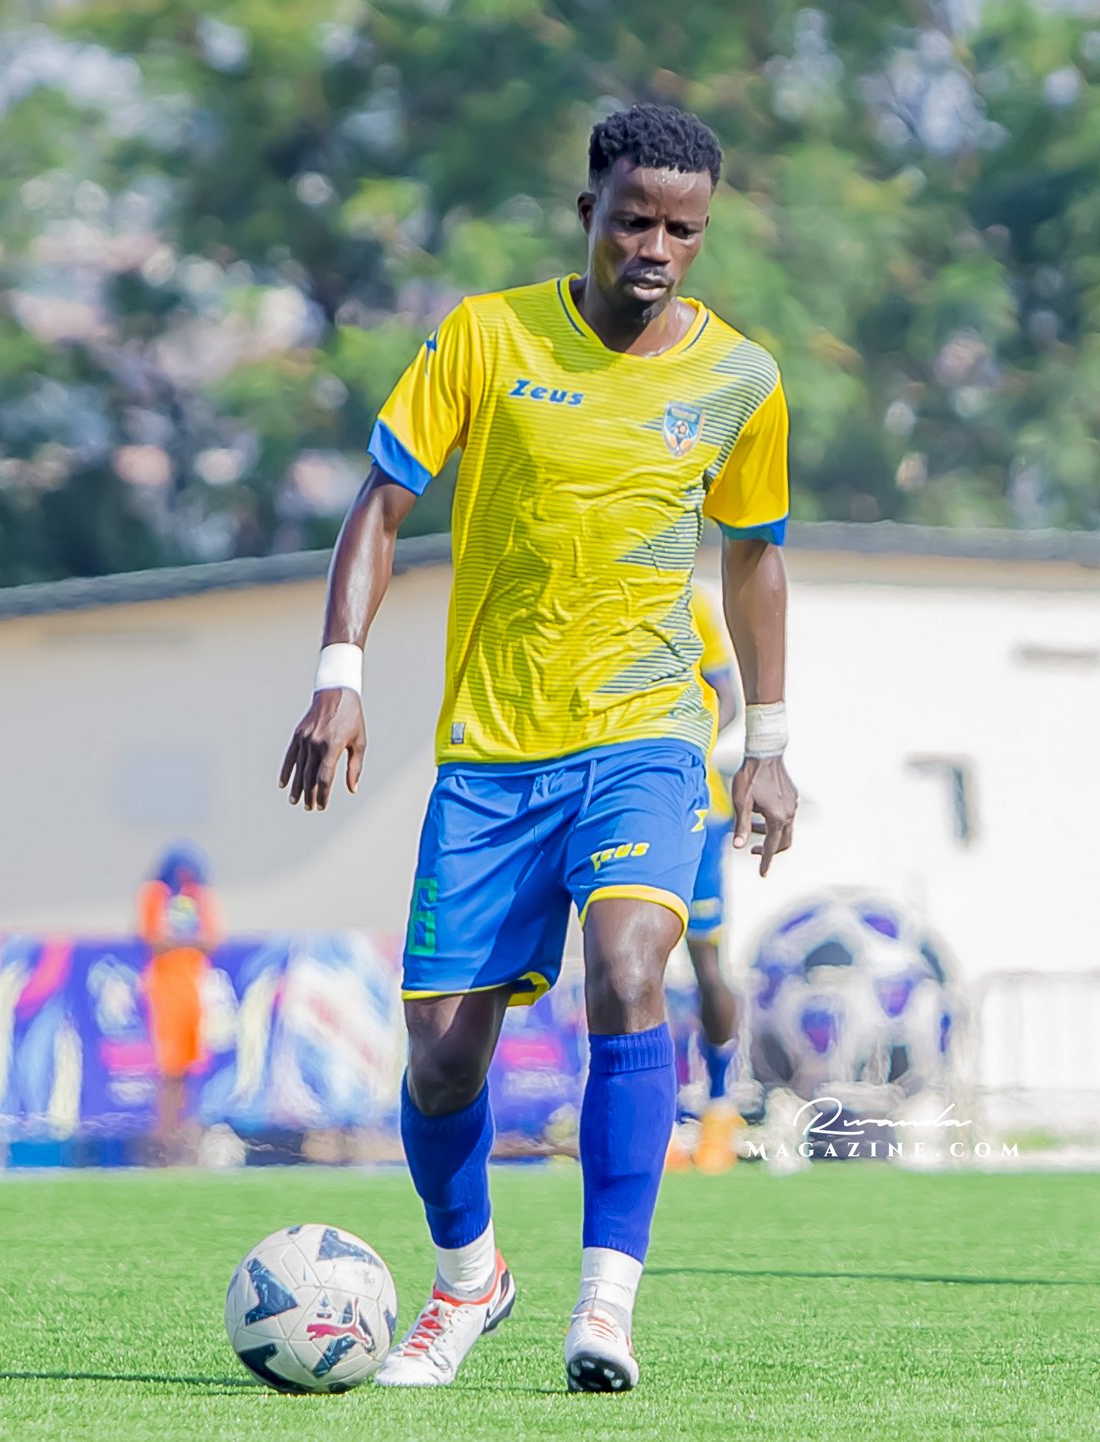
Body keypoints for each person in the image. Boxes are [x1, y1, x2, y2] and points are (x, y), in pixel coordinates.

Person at [278, 103, 798, 1393]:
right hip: (491, 752)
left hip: (645, 734)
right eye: (634, 220)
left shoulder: (740, 378)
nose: (656, 248)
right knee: (442, 1056)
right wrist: (339, 676)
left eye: (683, 229)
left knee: (626, 968)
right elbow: (381, 504)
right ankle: (468, 1279)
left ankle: (605, 1303)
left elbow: (756, 556)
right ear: (588, 213)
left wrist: (769, 741)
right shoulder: (484, 336)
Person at [665, 585, 748, 1175]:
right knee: (626, 965)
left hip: (698, 808)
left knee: (706, 964)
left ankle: (720, 1108)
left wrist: (676, 749)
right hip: (617, 807)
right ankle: (658, 1121)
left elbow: (730, 698)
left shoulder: (688, 598)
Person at [136, 844, 220, 1166]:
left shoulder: (199, 896)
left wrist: (182, 941)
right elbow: (154, 939)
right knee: (168, 1069)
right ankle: (163, 1138)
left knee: (188, 1069)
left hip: (193, 990)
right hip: (164, 990)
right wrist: (187, 940)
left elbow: (212, 939)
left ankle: (184, 1136)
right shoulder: (155, 894)